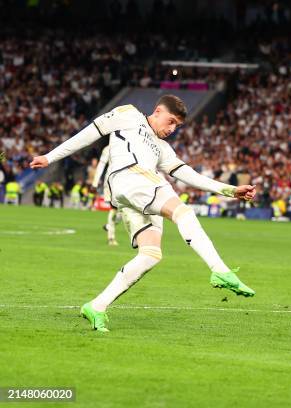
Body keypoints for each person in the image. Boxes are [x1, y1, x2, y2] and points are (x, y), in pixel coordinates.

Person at [30, 95, 257, 332]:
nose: (171, 129)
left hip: (134, 193)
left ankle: (97, 306)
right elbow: (90, 132)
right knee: (183, 212)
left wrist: (229, 190)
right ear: (157, 111)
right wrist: (50, 156)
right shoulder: (128, 114)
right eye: (170, 121)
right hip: (131, 177)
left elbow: (187, 174)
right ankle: (220, 270)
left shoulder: (162, 148)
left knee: (150, 254)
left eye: (176, 126)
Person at [92, 145, 120, 245]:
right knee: (115, 209)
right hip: (112, 181)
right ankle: (111, 238)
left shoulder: (131, 143)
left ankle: (109, 226)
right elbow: (101, 164)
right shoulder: (109, 148)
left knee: (123, 211)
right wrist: (95, 182)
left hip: (126, 181)